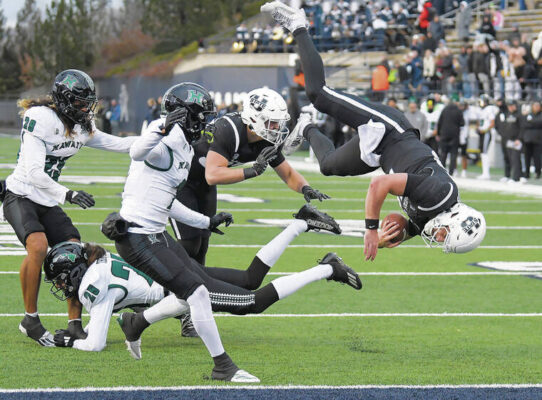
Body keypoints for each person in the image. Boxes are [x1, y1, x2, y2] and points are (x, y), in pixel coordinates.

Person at [261, 1, 486, 261]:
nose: (438, 238)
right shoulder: (438, 193)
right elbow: (380, 183)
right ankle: (298, 24)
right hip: (390, 130)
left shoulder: (438, 213)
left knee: (328, 165)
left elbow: (404, 229)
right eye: (444, 235)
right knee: (318, 93)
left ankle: (306, 126)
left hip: (382, 153)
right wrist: (370, 230)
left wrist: (386, 238)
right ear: (454, 218)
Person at [44, 207, 358, 360]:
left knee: (254, 301)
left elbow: (95, 343)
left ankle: (328, 269)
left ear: (74, 272)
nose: (61, 286)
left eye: (60, 278)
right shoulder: (100, 261)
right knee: (251, 278)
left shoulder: (93, 285)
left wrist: (68, 341)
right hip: (176, 267)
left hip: (180, 283)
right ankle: (301, 222)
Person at [108, 82, 261, 382]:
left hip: (155, 233)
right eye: (202, 116)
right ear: (184, 115)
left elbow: (167, 201)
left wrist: (207, 222)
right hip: (137, 237)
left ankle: (135, 323)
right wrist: (163, 127)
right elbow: (138, 152)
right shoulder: (163, 134)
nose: (207, 123)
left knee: (192, 288)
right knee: (198, 292)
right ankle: (223, 365)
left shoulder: (185, 145)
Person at [2, 69, 136, 347]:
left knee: (74, 253)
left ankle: (74, 324)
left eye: (87, 102)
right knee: (38, 247)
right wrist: (69, 193)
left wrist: (160, 136)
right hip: (22, 194)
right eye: (79, 102)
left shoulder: (81, 127)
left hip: (48, 200)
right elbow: (34, 172)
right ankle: (30, 318)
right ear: (64, 100)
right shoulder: (40, 118)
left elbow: (120, 144)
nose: (85, 108)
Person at [170, 87, 328, 266]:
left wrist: (305, 188)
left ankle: (194, 291)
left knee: (202, 245)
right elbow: (213, 174)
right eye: (272, 122)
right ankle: (167, 289)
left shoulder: (266, 138)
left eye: (278, 123)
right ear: (254, 119)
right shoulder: (229, 130)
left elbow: (288, 173)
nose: (277, 128)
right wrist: (253, 171)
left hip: (203, 185)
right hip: (181, 179)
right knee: (190, 244)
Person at [495, 100, 523, 182]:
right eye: (509, 105)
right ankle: (508, 175)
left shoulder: (519, 115)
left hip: (516, 140)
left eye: (512, 105)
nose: (510, 107)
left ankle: (516, 177)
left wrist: (519, 139)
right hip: (507, 139)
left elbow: (522, 128)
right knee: (508, 157)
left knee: (515, 158)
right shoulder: (507, 114)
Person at [437, 97, 464, 176]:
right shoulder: (459, 111)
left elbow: (439, 122)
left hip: (444, 134)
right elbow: (462, 123)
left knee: (443, 154)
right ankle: (451, 172)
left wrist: (439, 133)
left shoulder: (445, 110)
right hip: (455, 135)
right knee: (453, 154)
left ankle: (442, 171)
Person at [475, 95, 498, 180]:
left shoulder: (489, 109)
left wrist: (485, 130)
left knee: (484, 152)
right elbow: (479, 121)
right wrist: (478, 128)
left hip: (486, 133)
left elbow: (492, 122)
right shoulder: (481, 110)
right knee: (482, 152)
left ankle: (486, 173)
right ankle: (484, 172)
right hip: (482, 133)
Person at [521, 101, 542, 179]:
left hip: (538, 140)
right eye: (535, 106)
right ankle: (526, 173)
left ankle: (538, 172)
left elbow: (540, 123)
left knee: (537, 158)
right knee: (527, 158)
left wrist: (531, 123)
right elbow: (524, 124)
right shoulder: (528, 115)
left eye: (538, 106)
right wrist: (534, 123)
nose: (536, 107)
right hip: (527, 140)